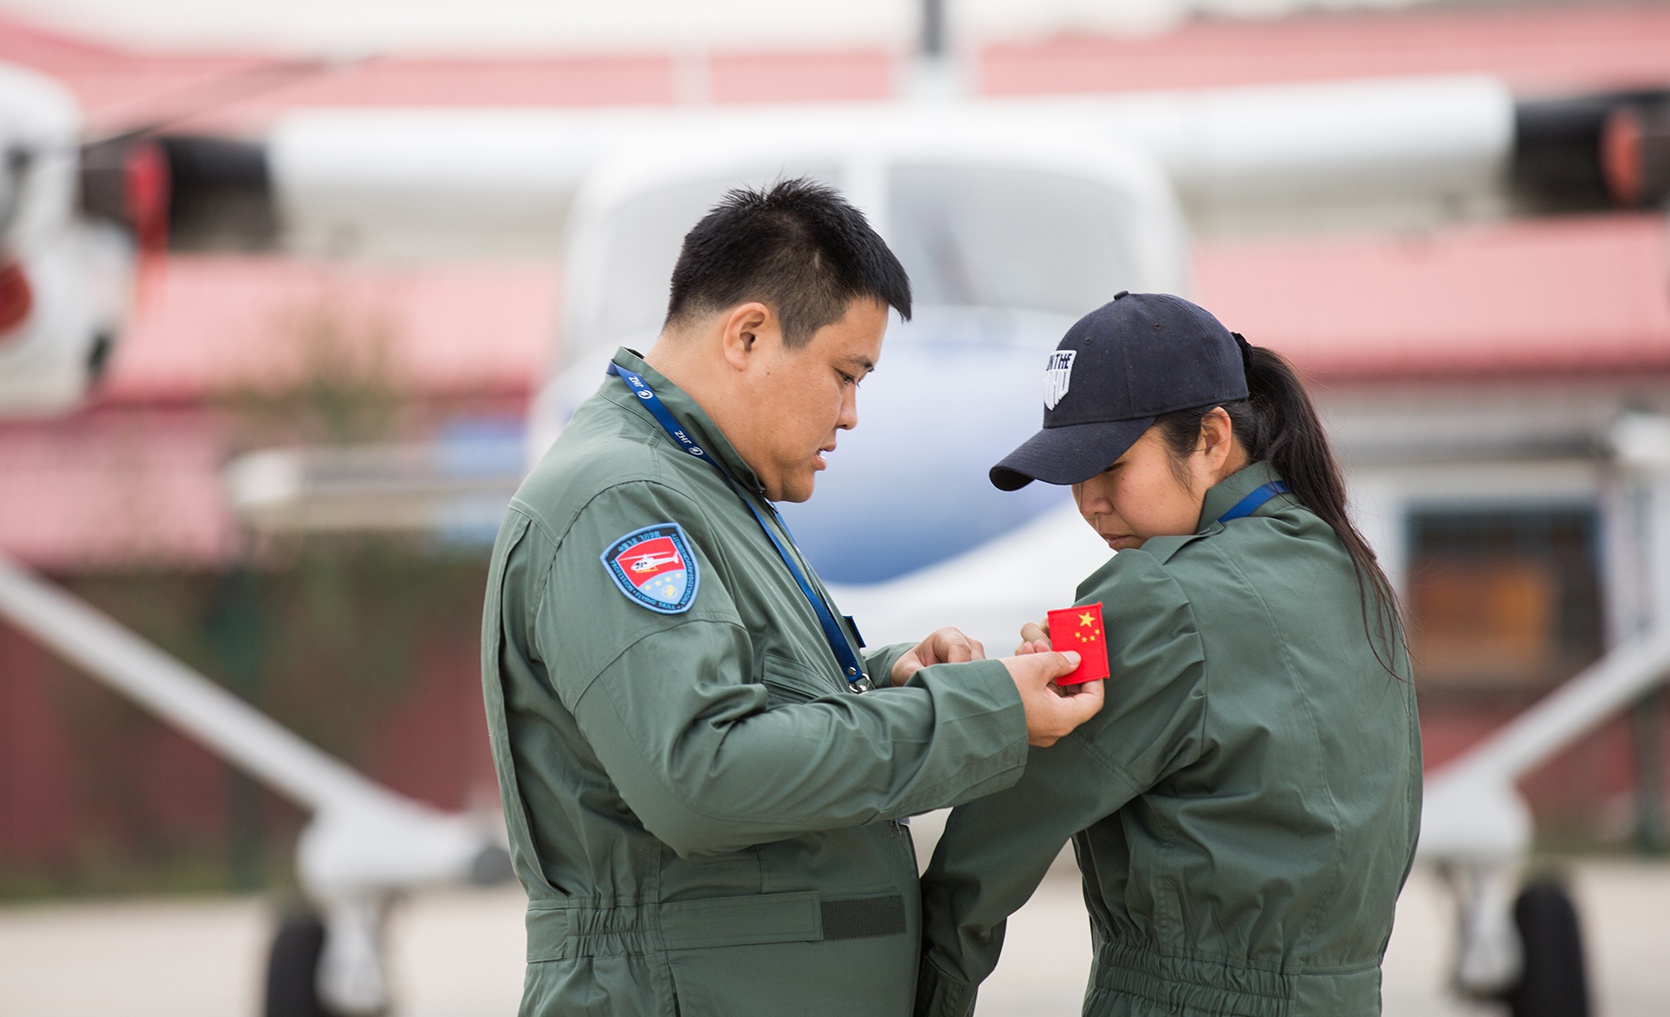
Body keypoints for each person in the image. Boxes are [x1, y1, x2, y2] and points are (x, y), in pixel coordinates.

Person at [480, 178, 1104, 1017]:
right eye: (846, 374)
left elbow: (743, 700)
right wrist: (978, 715)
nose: (851, 414)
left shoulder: (704, 485)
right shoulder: (620, 498)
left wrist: (893, 678)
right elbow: (703, 771)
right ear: (748, 334)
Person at [915, 291, 1422, 1017]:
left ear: (1212, 438)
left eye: (1110, 465)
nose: (1088, 501)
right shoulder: (1353, 569)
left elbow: (986, 855)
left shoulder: (1142, 596)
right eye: (1071, 474)